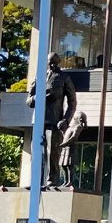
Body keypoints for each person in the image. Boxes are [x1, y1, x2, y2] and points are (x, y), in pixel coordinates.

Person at [26, 53, 80, 189]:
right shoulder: (40, 77)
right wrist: (38, 98)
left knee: (52, 152)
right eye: (50, 63)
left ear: (59, 63)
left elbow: (72, 102)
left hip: (54, 120)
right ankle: (35, 181)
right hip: (38, 120)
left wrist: (66, 119)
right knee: (36, 152)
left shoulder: (64, 77)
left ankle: (52, 181)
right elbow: (28, 101)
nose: (52, 65)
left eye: (55, 63)